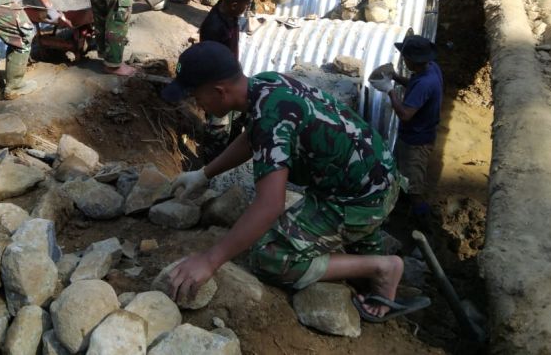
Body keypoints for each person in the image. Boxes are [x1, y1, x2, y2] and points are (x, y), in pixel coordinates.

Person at [162, 42, 427, 322]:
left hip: (358, 200)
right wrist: (204, 174)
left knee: (270, 257)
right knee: (357, 271)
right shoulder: (265, 84)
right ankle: (369, 262)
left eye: (196, 96)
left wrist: (209, 260)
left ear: (219, 91)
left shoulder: (269, 119)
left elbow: (270, 205)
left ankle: (383, 268)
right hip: (374, 178)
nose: (198, 104)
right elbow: (252, 138)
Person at [383, 35, 443, 220]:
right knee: (404, 174)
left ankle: (423, 222)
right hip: (419, 135)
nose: (403, 60)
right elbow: (415, 86)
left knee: (414, 187)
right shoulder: (431, 68)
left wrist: (390, 91)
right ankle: (404, 203)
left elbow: (405, 115)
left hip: (416, 142)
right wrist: (396, 77)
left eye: (405, 57)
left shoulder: (425, 83)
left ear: (412, 60)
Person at [197, 0, 254, 162]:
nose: (247, 8)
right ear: (235, 4)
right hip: (218, 85)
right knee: (218, 128)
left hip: (231, 77)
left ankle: (231, 160)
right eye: (247, 4)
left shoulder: (230, 13)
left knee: (237, 119)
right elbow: (209, 64)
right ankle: (210, 167)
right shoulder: (214, 27)